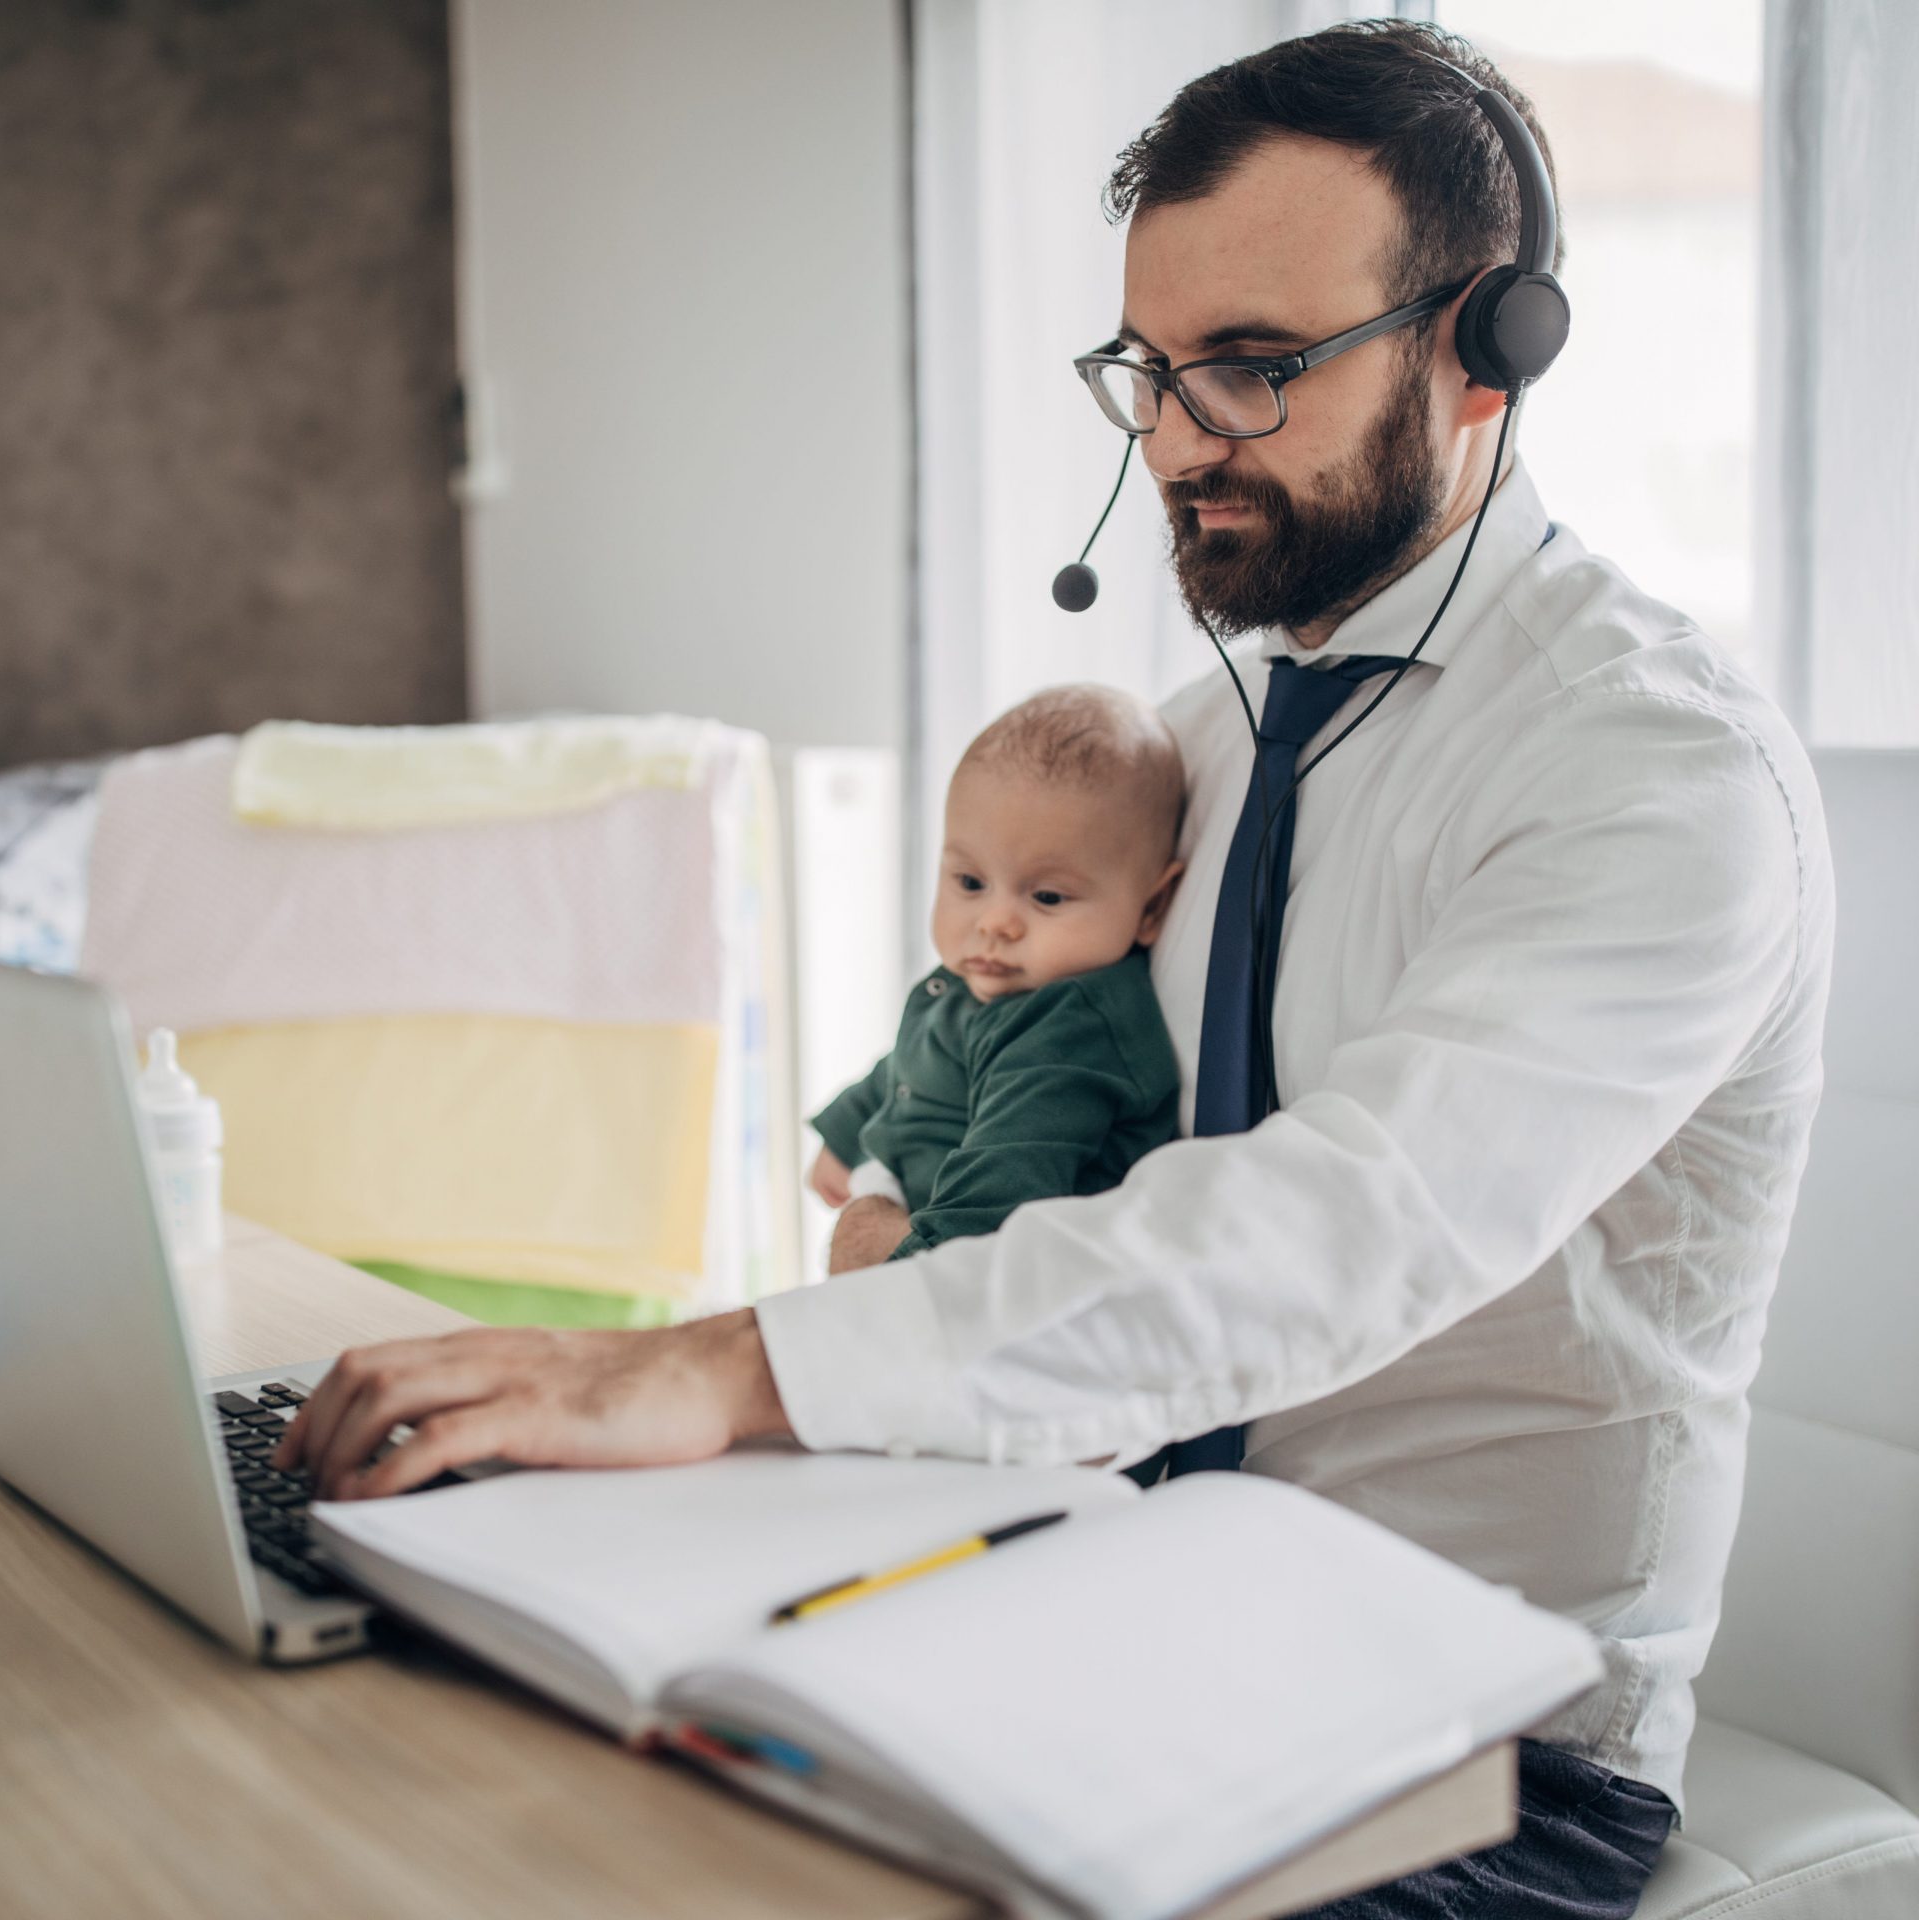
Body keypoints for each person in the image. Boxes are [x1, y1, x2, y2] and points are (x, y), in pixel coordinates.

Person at [279, 23, 1833, 1917]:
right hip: (1104, 1594)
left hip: (1472, 1753)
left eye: (1254, 371)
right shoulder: (1207, 739)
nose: (1181, 446)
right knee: (456, 1766)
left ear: (1489, 347)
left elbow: (1335, 1230)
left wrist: (717, 1371)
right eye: (1151, 373)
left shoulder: (1651, 772)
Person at [807, 684, 1184, 1266]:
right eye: (969, 883)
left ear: (1152, 908)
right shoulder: (984, 982)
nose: (995, 923)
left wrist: (900, 1269)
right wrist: (845, 1132)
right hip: (909, 1212)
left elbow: (996, 1201)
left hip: (979, 1279)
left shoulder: (1066, 1033)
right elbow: (911, 1065)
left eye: (1048, 896)